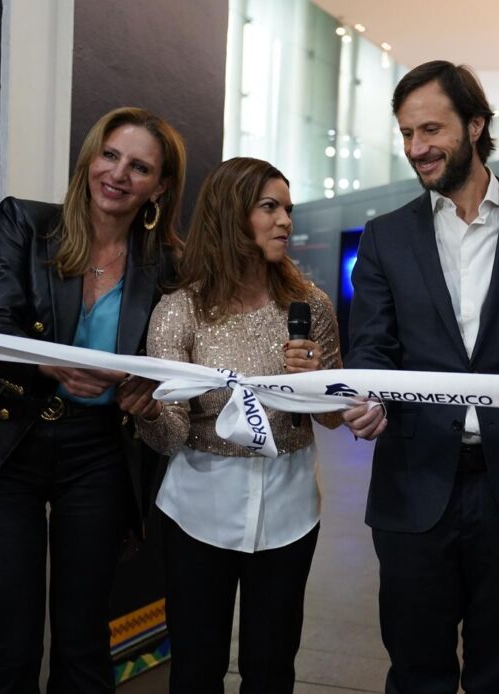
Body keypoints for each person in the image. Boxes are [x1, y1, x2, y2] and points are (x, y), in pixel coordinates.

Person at [342, 60, 499, 693]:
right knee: (416, 671)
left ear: (476, 126)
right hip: (412, 488)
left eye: (430, 129)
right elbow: (372, 346)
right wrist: (369, 396)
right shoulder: (385, 237)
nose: (416, 148)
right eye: (405, 133)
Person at [0, 107, 186, 692]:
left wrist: (151, 395)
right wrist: (52, 362)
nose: (118, 173)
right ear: (90, 157)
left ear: (161, 186)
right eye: (110, 154)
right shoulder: (23, 222)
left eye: (140, 166)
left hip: (98, 452)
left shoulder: (169, 265)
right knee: (10, 644)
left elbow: (171, 364)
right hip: (7, 443)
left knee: (82, 644)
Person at [135, 157, 343, 692]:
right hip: (198, 510)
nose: (285, 222)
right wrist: (152, 410)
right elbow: (170, 436)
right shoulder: (181, 310)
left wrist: (317, 382)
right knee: (196, 667)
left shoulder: (310, 304)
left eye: (288, 210)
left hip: (291, 508)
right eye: (269, 207)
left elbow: (338, 412)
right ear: (231, 215)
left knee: (272, 666)